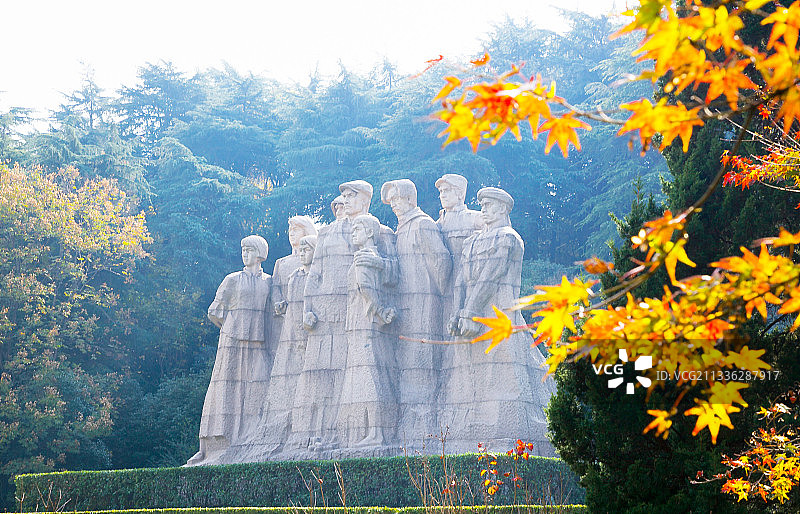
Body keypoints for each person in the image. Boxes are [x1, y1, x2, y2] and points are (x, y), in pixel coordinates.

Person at [443, 187, 556, 456]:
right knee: (468, 375)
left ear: (504, 209)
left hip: (499, 314)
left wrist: (469, 311)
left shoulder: (508, 238)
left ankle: (525, 429)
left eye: (490, 205)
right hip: (469, 319)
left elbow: (490, 277)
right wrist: (457, 313)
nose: (483, 209)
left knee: (507, 375)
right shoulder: (471, 242)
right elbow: (460, 281)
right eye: (482, 204)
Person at [187, 235, 272, 466]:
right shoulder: (233, 279)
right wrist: (233, 325)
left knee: (258, 387)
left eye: (249, 250)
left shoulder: (269, 282)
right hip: (233, 341)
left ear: (259, 254)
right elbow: (214, 310)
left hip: (258, 342)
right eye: (243, 250)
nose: (244, 255)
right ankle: (213, 444)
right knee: (225, 387)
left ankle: (250, 437)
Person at [381, 178, 451, 447]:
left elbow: (441, 262)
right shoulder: (401, 229)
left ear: (410, 199)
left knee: (423, 360)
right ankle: (412, 423)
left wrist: (440, 298)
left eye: (398, 199)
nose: (395, 205)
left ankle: (426, 423)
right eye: (391, 202)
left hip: (425, 304)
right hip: (405, 306)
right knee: (409, 363)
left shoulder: (422, 224)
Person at [336, 214, 397, 448]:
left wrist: (380, 311)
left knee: (369, 378)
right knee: (369, 377)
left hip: (364, 321)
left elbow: (366, 289)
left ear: (370, 232)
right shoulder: (371, 257)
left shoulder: (364, 257)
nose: (353, 233)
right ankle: (372, 431)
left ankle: (376, 433)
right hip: (363, 321)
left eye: (357, 229)